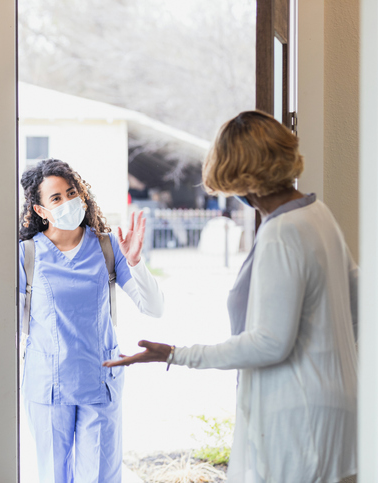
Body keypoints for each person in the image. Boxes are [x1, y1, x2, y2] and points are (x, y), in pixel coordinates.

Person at [105, 111, 359, 483]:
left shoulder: (282, 232)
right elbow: (357, 308)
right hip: (332, 408)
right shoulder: (318, 214)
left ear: (242, 177)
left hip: (299, 417)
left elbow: (270, 344)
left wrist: (175, 354)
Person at [19, 159, 164, 483]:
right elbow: (11, 325)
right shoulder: (27, 255)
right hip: (47, 386)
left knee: (98, 477)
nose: (68, 202)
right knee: (53, 476)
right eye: (56, 198)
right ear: (40, 210)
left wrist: (136, 262)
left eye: (71, 193)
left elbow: (154, 308)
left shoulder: (107, 246)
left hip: (99, 383)